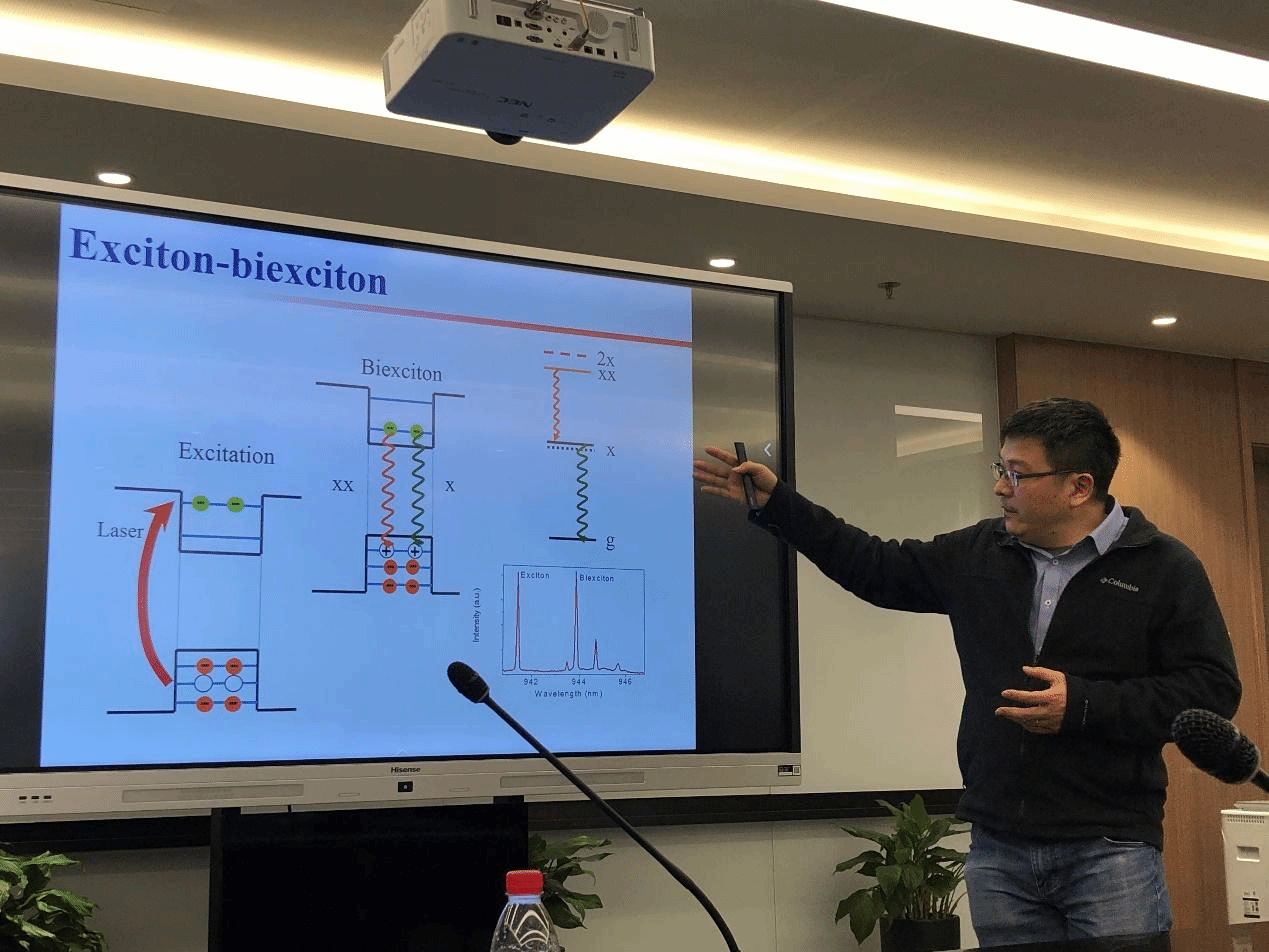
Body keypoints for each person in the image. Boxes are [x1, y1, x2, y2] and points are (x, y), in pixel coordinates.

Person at [694, 396, 1241, 946]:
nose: (1000, 487)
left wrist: (1082, 705)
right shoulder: (981, 551)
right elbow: (876, 568)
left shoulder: (1164, 567)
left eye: (1018, 475)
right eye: (1001, 469)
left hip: (1109, 847)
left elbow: (1211, 692)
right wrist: (781, 505)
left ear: (1079, 487)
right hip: (1000, 848)